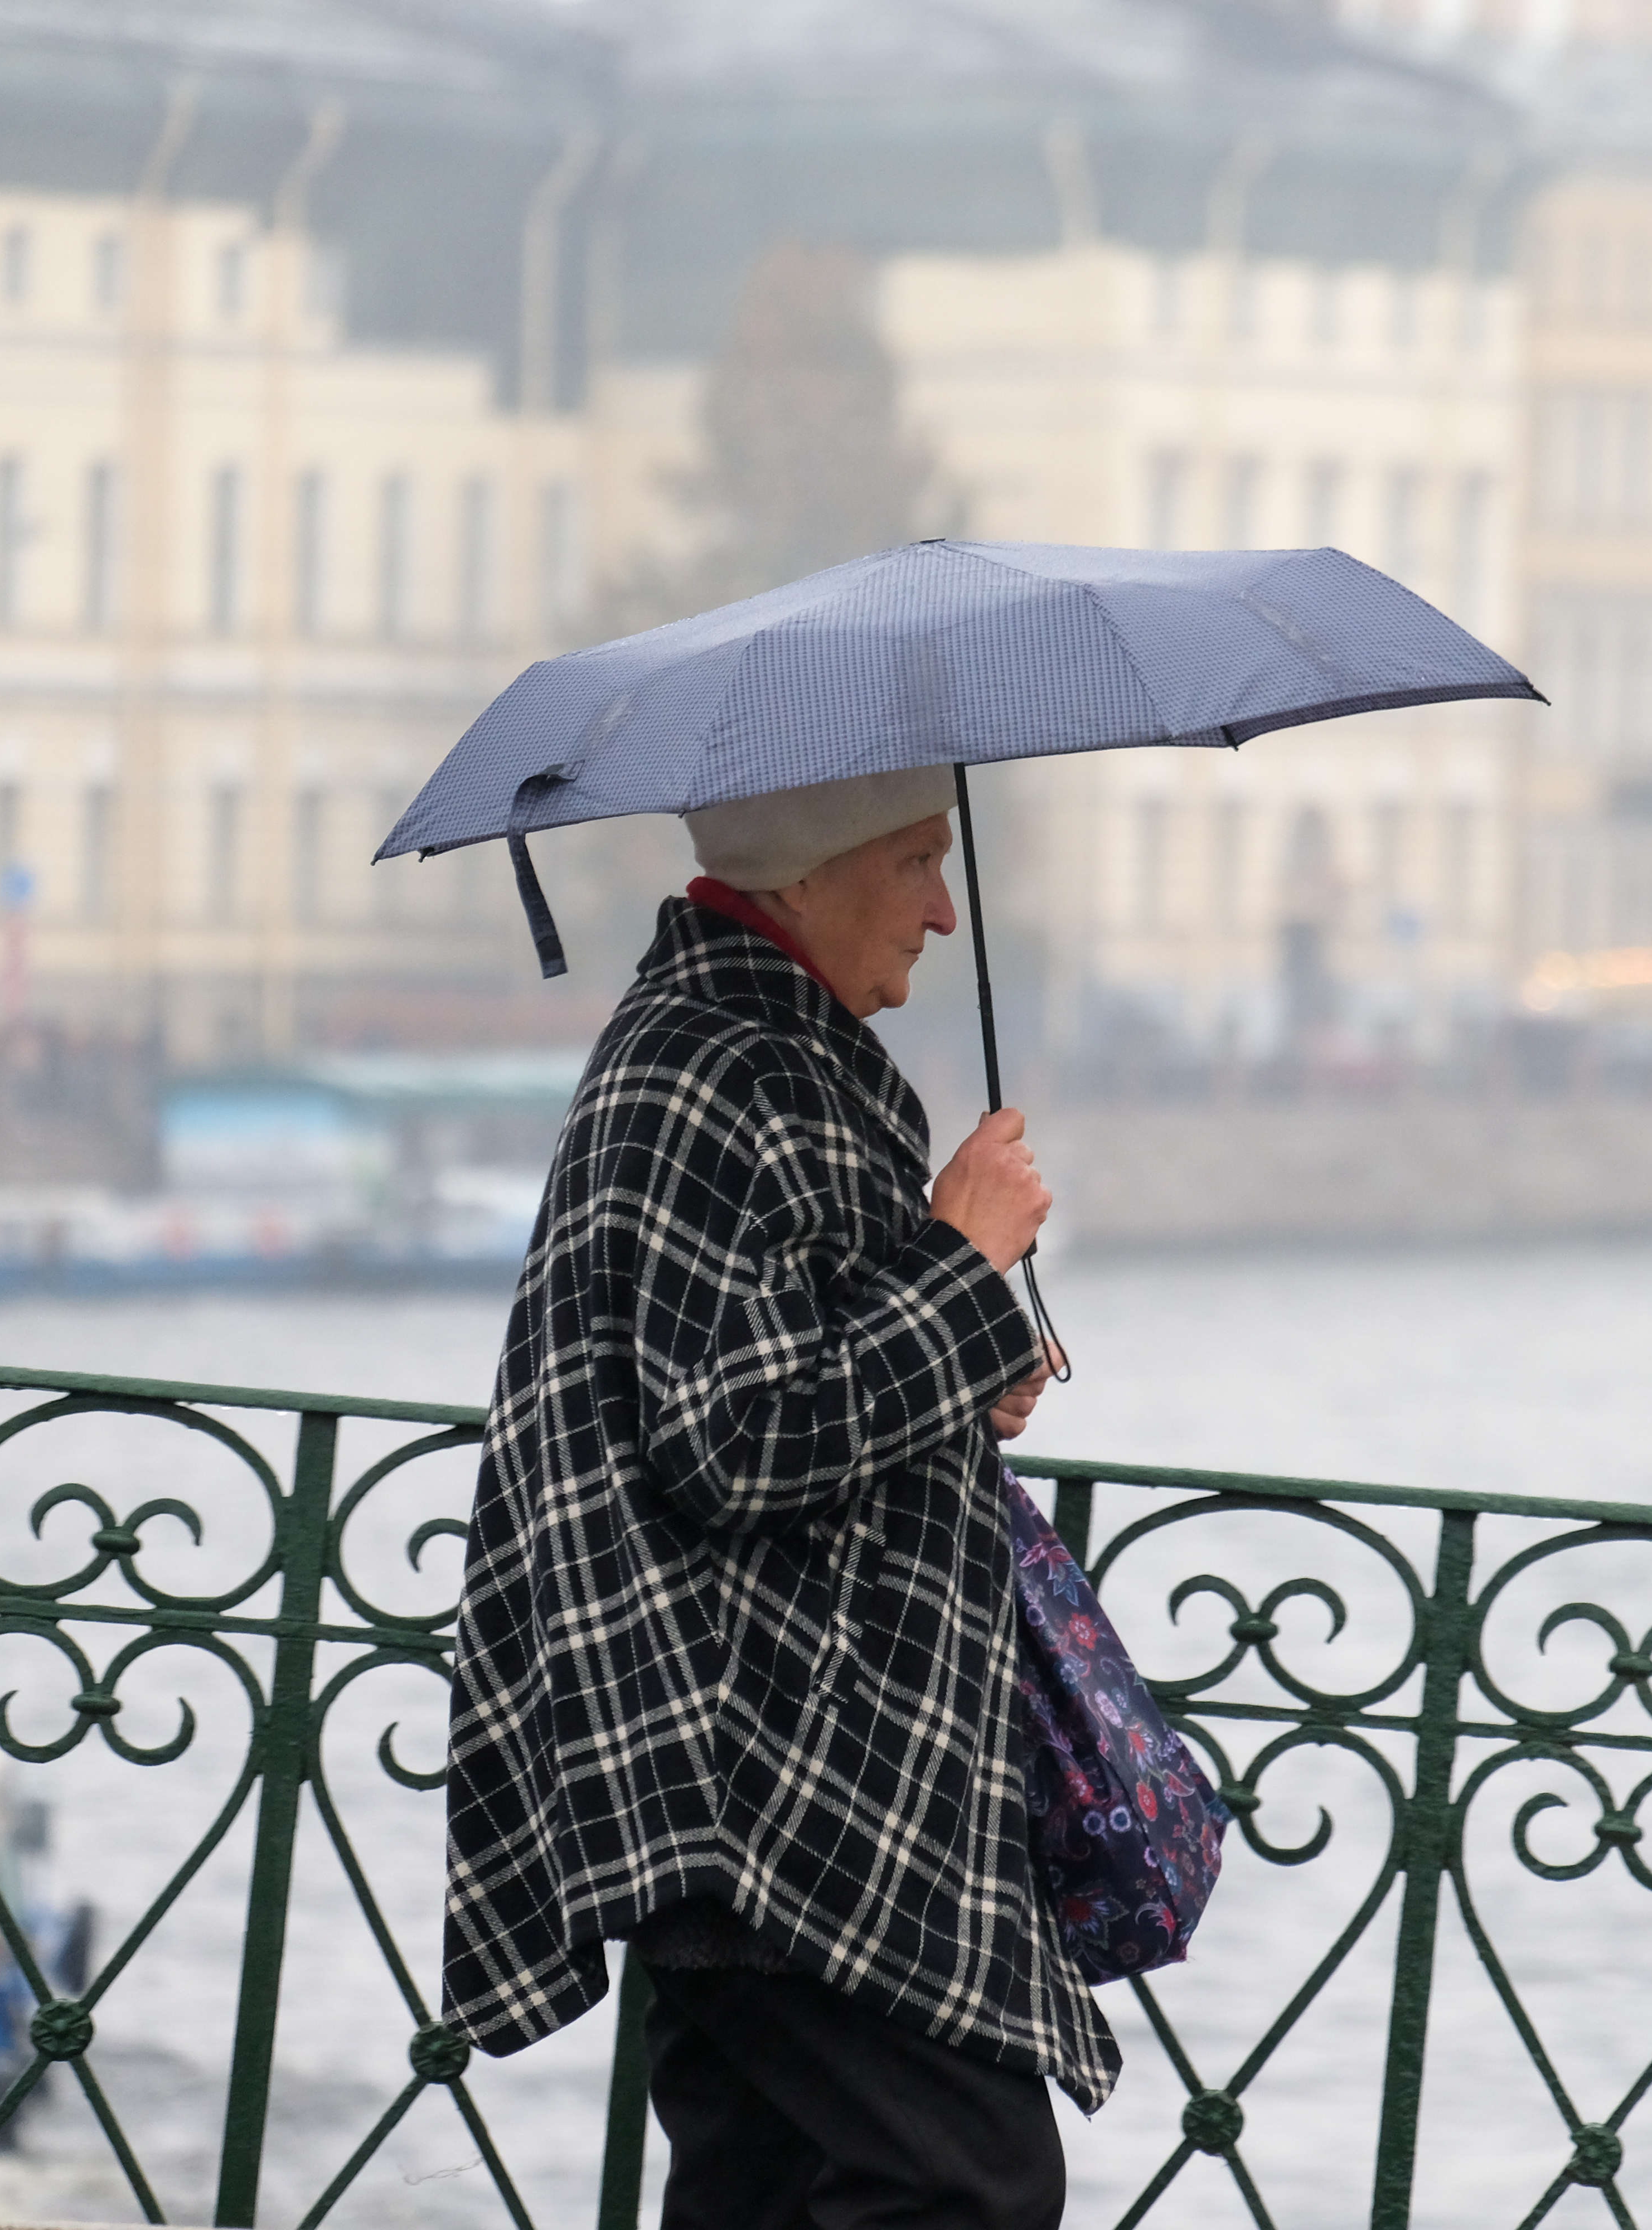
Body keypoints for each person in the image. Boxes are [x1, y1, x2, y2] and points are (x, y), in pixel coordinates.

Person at [440, 764, 1112, 2230]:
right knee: (966, 2181)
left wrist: (971, 1355)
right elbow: (737, 1435)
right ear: (808, 874)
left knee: (767, 2189)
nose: (944, 911)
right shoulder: (719, 1067)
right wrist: (959, 1263)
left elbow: (787, 1362)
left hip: (761, 1757)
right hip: (767, 1769)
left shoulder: (759, 1051)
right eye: (913, 863)